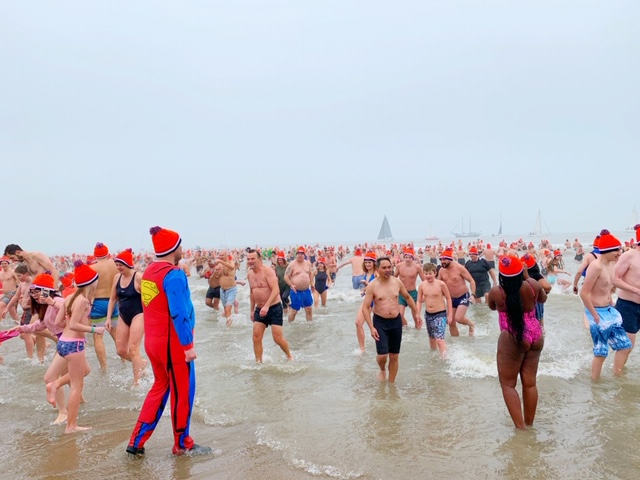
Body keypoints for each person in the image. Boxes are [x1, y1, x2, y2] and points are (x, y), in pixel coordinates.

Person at [127, 226, 211, 457]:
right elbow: (179, 312)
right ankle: (183, 443)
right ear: (174, 248)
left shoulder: (149, 272)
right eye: (180, 244)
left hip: (153, 343)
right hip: (172, 345)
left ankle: (136, 441)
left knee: (159, 387)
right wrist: (188, 346)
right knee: (183, 392)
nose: (183, 248)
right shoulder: (174, 274)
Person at [488, 255, 547, 429]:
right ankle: (529, 424)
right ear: (521, 271)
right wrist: (528, 277)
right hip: (535, 333)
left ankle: (520, 429)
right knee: (530, 383)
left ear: (502, 275)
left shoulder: (497, 292)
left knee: (508, 384)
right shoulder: (532, 285)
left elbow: (492, 306)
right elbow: (543, 299)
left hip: (511, 335)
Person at [9, 272, 69, 424]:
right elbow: (40, 324)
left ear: (47, 290)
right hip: (65, 341)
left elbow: (69, 307)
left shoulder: (57, 300)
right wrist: (21, 328)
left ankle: (63, 412)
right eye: (32, 292)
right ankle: (79, 401)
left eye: (37, 291)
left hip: (70, 341)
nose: (34, 295)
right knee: (75, 374)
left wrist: (51, 302)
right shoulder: (45, 306)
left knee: (50, 378)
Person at [55, 260, 105, 433]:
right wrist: (94, 329)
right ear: (92, 283)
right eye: (96, 280)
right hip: (74, 346)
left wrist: (71, 326)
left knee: (83, 373)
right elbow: (75, 324)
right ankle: (71, 426)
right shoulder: (83, 301)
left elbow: (58, 322)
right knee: (77, 387)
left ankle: (54, 385)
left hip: (62, 343)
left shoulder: (69, 297)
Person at [579, 229, 632, 380]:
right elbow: (584, 293)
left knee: (625, 346)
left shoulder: (611, 264)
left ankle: (618, 376)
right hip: (597, 312)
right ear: (608, 251)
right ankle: (595, 383)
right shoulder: (596, 266)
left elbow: (611, 283)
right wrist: (594, 316)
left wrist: (616, 298)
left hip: (609, 310)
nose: (619, 253)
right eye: (617, 250)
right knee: (601, 353)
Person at [361, 257, 419, 383]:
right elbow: (365, 308)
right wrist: (371, 327)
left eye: (389, 267)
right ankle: (382, 369)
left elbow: (408, 297)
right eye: (384, 268)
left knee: (394, 356)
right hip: (380, 322)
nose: (388, 270)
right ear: (378, 269)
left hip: (396, 321)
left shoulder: (397, 282)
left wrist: (416, 313)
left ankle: (391, 384)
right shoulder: (372, 286)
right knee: (382, 356)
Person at [106, 249, 146, 386]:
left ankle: (137, 382)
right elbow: (112, 299)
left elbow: (148, 300)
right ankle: (141, 363)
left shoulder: (139, 277)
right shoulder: (117, 278)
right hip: (123, 315)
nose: (118, 267)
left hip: (138, 315)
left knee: (133, 349)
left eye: (121, 264)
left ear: (128, 264)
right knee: (121, 351)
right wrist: (108, 318)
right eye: (117, 264)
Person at [246, 249, 293, 363]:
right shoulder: (250, 274)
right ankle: (258, 362)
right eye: (248, 259)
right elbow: (252, 293)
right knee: (256, 337)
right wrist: (252, 310)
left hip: (273, 308)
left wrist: (267, 306)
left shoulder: (267, 271)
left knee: (277, 339)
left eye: (253, 259)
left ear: (259, 259)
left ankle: (289, 355)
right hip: (259, 309)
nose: (250, 261)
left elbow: (276, 289)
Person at [612, 225, 640, 370]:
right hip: (629, 305)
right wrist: (634, 289)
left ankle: (621, 370)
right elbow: (615, 279)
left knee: (631, 347)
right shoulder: (629, 256)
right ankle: (618, 376)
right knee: (626, 346)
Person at [88, 242, 120, 371]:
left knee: (98, 336)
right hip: (114, 301)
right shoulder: (115, 265)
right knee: (116, 334)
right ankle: (124, 359)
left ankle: (104, 367)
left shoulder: (92, 268)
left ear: (95, 255)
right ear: (108, 253)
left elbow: (89, 290)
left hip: (98, 303)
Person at [437, 248, 476, 336]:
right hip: (451, 299)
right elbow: (438, 285)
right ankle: (456, 343)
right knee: (451, 322)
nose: (442, 261)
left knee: (459, 318)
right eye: (441, 259)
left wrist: (473, 295)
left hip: (463, 296)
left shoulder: (459, 268)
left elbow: (471, 280)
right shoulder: (441, 271)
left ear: (450, 259)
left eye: (444, 259)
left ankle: (471, 324)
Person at [416, 263, 452, 358]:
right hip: (428, 315)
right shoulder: (422, 285)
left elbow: (448, 298)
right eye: (426, 273)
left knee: (439, 340)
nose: (428, 276)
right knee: (432, 339)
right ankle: (434, 358)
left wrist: (450, 315)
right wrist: (417, 314)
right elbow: (419, 301)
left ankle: (445, 359)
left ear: (435, 273)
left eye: (430, 273)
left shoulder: (441, 284)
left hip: (440, 314)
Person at [394, 247, 425, 327]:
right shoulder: (399, 266)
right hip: (402, 294)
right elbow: (393, 279)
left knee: (416, 317)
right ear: (404, 258)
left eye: (409, 257)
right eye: (406, 257)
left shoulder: (417, 267)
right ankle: (406, 328)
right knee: (399, 316)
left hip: (413, 294)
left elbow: (424, 281)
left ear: (412, 258)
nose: (407, 259)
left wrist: (424, 295)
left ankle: (417, 334)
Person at [354, 251, 378, 353]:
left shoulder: (377, 273)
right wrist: (364, 291)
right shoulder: (366, 273)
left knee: (378, 326)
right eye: (366, 262)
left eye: (370, 262)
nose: (368, 264)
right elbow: (368, 288)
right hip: (367, 301)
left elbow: (378, 288)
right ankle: (362, 349)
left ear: (374, 262)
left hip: (377, 302)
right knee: (358, 323)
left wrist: (367, 284)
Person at [284, 246, 314, 322]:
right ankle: (290, 325)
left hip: (306, 290)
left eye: (302, 253)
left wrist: (312, 283)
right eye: (298, 253)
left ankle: (310, 326)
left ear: (304, 255)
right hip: (296, 291)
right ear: (296, 255)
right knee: (294, 311)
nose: (300, 255)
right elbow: (286, 277)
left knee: (309, 309)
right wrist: (291, 285)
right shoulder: (292, 264)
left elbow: (310, 274)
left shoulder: (308, 263)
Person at [213, 250, 239, 327]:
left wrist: (221, 262)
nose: (221, 257)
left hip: (231, 289)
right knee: (226, 311)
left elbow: (231, 267)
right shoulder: (219, 265)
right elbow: (217, 277)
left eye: (222, 255)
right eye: (220, 255)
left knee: (227, 310)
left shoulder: (231, 262)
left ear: (227, 256)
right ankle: (228, 323)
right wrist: (215, 270)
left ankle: (228, 329)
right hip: (222, 290)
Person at [0, 257, 19, 322]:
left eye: (5, 263)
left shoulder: (12, 272)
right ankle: (19, 325)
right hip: (5, 293)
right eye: (2, 263)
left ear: (8, 264)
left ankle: (0, 325)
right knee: (13, 313)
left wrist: (20, 293)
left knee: (0, 305)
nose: (4, 265)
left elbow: (19, 281)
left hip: (12, 292)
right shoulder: (0, 273)